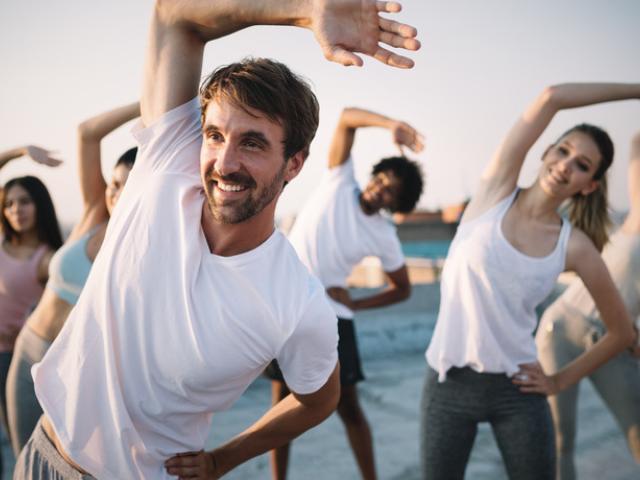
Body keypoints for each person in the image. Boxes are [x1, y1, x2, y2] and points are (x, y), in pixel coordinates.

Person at [13, 1, 421, 478]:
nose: (224, 163)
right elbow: (174, 15)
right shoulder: (166, 161)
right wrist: (306, 10)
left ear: (294, 163)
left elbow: (318, 400)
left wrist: (222, 459)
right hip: (42, 455)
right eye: (213, 135)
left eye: (252, 142)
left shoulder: (298, 303)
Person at [420, 83, 639, 480]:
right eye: (563, 151)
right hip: (447, 382)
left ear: (588, 185)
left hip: (518, 389)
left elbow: (621, 332)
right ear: (545, 152)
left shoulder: (575, 246)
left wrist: (558, 380)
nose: (565, 165)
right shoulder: (494, 191)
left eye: (582, 165)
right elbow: (551, 96)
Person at [267, 107, 424, 480]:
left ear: (395, 203)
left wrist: (356, 301)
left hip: (334, 316)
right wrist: (393, 124)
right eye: (382, 178)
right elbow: (347, 118)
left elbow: (402, 288)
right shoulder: (340, 179)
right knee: (280, 404)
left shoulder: (384, 235)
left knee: (348, 407)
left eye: (391, 190)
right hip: (286, 302)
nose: (381, 187)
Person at [5, 102, 139, 455]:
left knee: (64, 464)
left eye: (128, 186)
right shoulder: (95, 213)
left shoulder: (144, 250)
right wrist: (152, 103)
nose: (114, 193)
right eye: (113, 183)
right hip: (29, 350)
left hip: (75, 371)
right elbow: (87, 133)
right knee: (23, 459)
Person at [536, 129, 640, 480]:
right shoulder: (638, 217)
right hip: (561, 328)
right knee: (560, 438)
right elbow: (637, 140)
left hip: (617, 342)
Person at [0, 146, 63, 476]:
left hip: (14, 360)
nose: (16, 210)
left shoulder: (49, 258)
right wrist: (21, 151)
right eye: (9, 203)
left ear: (39, 205)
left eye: (24, 201)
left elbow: (58, 310)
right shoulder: (1, 242)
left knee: (21, 444)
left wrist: (23, 326)